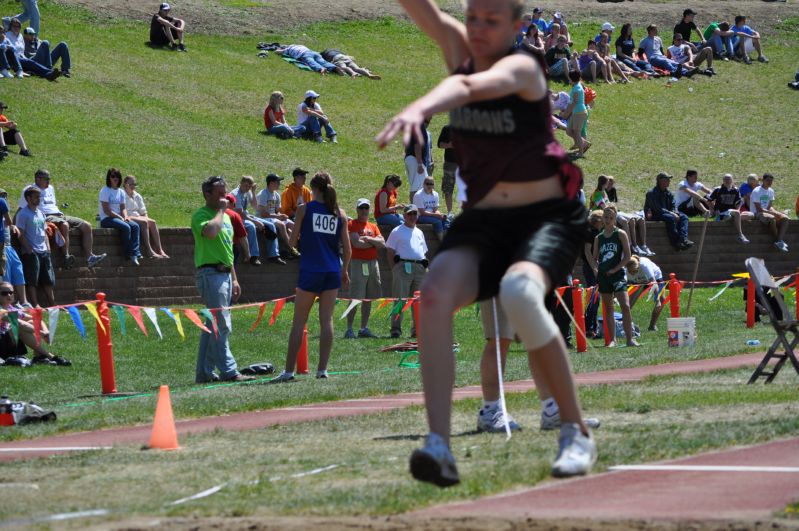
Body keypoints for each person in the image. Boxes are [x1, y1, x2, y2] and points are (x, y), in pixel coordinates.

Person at [376, 0, 597, 486]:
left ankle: (574, 431)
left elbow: (472, 85)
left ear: (517, 27)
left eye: (491, 22)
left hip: (545, 217)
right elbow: (429, 16)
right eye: (472, 18)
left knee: (519, 294)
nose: (476, 30)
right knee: (433, 294)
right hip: (485, 218)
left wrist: (423, 104)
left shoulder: (523, 65)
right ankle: (439, 446)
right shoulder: (460, 45)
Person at [476, 298, 602, 432]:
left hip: (528, 280)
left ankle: (552, 410)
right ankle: (490, 411)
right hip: (496, 279)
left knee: (538, 337)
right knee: (499, 337)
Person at [273, 172, 351, 382]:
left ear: (313, 188)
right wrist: (344, 272)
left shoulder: (304, 209)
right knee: (327, 320)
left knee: (299, 322)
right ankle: (322, 370)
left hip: (311, 270)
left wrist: (288, 231)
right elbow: (348, 250)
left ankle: (289, 371)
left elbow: (291, 242)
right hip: (332, 270)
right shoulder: (340, 213)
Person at [191, 176, 254, 384]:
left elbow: (227, 251)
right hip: (210, 274)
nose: (224, 197)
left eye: (225, 192)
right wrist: (220, 211)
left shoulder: (226, 217)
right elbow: (210, 232)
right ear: (206, 194)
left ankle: (204, 373)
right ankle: (230, 371)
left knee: (212, 327)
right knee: (222, 324)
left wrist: (234, 278)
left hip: (225, 274)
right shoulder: (202, 215)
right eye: (219, 193)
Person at [17, 169, 106, 269]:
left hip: (59, 214)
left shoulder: (50, 188)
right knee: (64, 225)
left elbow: (53, 205)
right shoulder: (30, 190)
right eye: (46, 179)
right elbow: (20, 208)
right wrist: (12, 224)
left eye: (49, 179)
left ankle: (90, 258)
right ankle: (66, 257)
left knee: (87, 225)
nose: (49, 182)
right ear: (38, 179)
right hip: (46, 216)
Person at [594, 205, 637, 348]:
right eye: (606, 217)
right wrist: (596, 270)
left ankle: (630, 339)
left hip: (617, 274)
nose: (608, 220)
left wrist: (615, 269)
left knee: (625, 305)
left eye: (611, 217)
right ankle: (612, 340)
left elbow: (627, 256)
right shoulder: (598, 238)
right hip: (603, 276)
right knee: (608, 308)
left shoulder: (620, 234)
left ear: (615, 219)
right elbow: (595, 258)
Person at [0, 281, 69, 365]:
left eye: (11, 292)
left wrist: (46, 331)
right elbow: (19, 323)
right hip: (2, 345)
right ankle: (49, 356)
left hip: (9, 343)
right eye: (4, 293)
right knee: (17, 326)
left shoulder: (12, 309)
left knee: (32, 322)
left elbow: (36, 318)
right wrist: (41, 333)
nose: (9, 295)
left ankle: (39, 356)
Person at [385, 204, 428, 339]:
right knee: (400, 300)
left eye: (415, 213)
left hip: (420, 268)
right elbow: (390, 251)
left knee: (419, 301)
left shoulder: (419, 232)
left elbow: (424, 251)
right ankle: (396, 329)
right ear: (404, 216)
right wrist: (395, 269)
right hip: (402, 267)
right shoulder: (397, 231)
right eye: (410, 214)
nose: (413, 216)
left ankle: (417, 330)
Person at [344, 198, 384, 339]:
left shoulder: (373, 226)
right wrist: (374, 243)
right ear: (357, 209)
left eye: (366, 208)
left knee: (368, 298)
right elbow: (356, 243)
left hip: (373, 264)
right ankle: (349, 329)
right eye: (361, 208)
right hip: (358, 263)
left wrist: (368, 240)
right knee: (356, 297)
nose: (364, 210)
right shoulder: (352, 224)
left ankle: (363, 328)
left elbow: (382, 243)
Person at [230, 176, 283, 266]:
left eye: (249, 186)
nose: (247, 188)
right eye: (245, 186)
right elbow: (240, 214)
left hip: (245, 216)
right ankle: (254, 256)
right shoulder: (235, 194)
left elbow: (255, 206)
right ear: (241, 183)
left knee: (271, 225)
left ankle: (274, 255)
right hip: (236, 218)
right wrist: (256, 222)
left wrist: (253, 192)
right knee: (251, 226)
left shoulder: (248, 192)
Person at [16, 186, 54, 307]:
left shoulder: (41, 213)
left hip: (44, 251)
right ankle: (35, 305)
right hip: (31, 252)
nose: (39, 199)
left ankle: (52, 304)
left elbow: (44, 232)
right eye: (36, 197)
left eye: (39, 197)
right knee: (32, 281)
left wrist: (48, 248)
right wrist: (29, 249)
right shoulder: (22, 214)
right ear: (28, 198)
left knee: (48, 280)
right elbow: (20, 234)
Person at [99, 168, 141, 266]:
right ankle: (126, 254)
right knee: (126, 227)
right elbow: (107, 211)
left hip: (118, 218)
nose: (115, 178)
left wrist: (126, 217)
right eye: (113, 176)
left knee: (135, 226)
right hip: (106, 219)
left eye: (117, 176)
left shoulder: (121, 192)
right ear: (109, 178)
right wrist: (120, 218)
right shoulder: (105, 190)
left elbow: (123, 208)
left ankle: (135, 254)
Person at [123, 175, 169, 258]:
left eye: (134, 184)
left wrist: (147, 219)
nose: (133, 186)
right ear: (125, 184)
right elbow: (123, 211)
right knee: (144, 222)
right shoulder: (122, 195)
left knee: (152, 222)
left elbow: (143, 212)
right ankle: (149, 250)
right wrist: (145, 220)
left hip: (138, 217)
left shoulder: (137, 196)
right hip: (128, 217)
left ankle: (160, 249)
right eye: (131, 184)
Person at [644, 172, 693, 251]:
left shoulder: (669, 193)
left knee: (684, 217)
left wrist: (675, 212)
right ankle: (676, 242)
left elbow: (673, 205)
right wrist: (672, 213)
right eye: (667, 179)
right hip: (654, 215)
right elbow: (657, 209)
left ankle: (683, 239)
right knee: (670, 218)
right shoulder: (651, 193)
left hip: (667, 214)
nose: (669, 181)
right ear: (660, 181)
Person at [256, 173, 299, 258]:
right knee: (282, 225)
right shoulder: (263, 194)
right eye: (277, 182)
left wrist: (282, 215)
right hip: (263, 218)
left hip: (273, 218)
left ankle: (292, 249)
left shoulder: (276, 195)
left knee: (293, 225)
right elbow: (263, 214)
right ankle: (291, 248)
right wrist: (278, 217)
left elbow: (277, 211)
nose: (279, 184)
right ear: (271, 183)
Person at [0, 189, 27, 306]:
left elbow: (10, 223)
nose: (4, 198)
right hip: (3, 247)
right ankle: (7, 303)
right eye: (2, 195)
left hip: (9, 246)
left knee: (18, 271)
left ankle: (23, 301)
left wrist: (13, 226)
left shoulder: (4, 216)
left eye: (5, 196)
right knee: (5, 275)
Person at [624, 255, 665, 332]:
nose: (632, 274)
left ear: (638, 266)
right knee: (627, 305)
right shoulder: (624, 270)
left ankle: (652, 326)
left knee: (662, 301)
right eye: (630, 272)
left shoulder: (644, 265)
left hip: (655, 278)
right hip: (638, 281)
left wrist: (657, 300)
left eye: (635, 271)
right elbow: (622, 286)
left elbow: (653, 282)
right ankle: (626, 326)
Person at [708, 173, 752, 243]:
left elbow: (738, 203)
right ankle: (740, 235)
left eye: (729, 179)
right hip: (721, 211)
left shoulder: (735, 190)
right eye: (725, 179)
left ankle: (728, 218)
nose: (727, 181)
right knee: (737, 213)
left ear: (732, 180)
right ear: (723, 180)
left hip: (731, 212)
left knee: (751, 215)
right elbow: (709, 200)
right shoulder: (718, 190)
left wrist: (738, 210)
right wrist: (713, 210)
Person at [751, 173, 789, 252]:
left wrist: (778, 213)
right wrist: (774, 214)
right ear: (763, 181)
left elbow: (769, 206)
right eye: (768, 180)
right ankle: (778, 240)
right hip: (757, 213)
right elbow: (759, 209)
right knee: (772, 218)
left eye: (771, 181)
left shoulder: (771, 191)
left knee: (785, 218)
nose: (770, 182)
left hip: (767, 212)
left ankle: (779, 241)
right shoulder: (756, 191)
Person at [413, 177, 450, 241]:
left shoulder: (435, 194)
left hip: (431, 215)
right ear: (423, 184)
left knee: (447, 220)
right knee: (438, 221)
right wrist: (436, 215)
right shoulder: (418, 195)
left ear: (434, 185)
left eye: (431, 184)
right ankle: (442, 242)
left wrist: (440, 215)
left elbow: (435, 209)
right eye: (427, 184)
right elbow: (422, 212)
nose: (429, 186)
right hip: (419, 216)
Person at [563, 70, 588, 157]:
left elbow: (574, 102)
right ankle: (582, 143)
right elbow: (572, 102)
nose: (568, 79)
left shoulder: (577, 88)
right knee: (569, 131)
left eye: (569, 77)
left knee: (577, 132)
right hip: (576, 113)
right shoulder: (576, 86)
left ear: (571, 78)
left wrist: (566, 113)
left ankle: (581, 153)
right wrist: (567, 112)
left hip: (579, 113)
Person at [404, 118, 431, 203]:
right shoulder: (419, 126)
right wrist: (419, 164)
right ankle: (414, 210)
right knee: (417, 186)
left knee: (418, 185)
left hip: (412, 159)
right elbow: (417, 146)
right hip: (416, 160)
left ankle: (415, 209)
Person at [275, 44, 344, 75]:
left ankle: (321, 69)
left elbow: (277, 52)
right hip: (313, 52)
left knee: (312, 63)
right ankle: (334, 68)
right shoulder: (300, 45)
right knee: (323, 62)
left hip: (304, 55)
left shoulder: (288, 49)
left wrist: (278, 50)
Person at [436, 125, 457, 213]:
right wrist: (449, 145)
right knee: (448, 189)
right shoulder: (447, 128)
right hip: (450, 164)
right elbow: (439, 144)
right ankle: (450, 213)